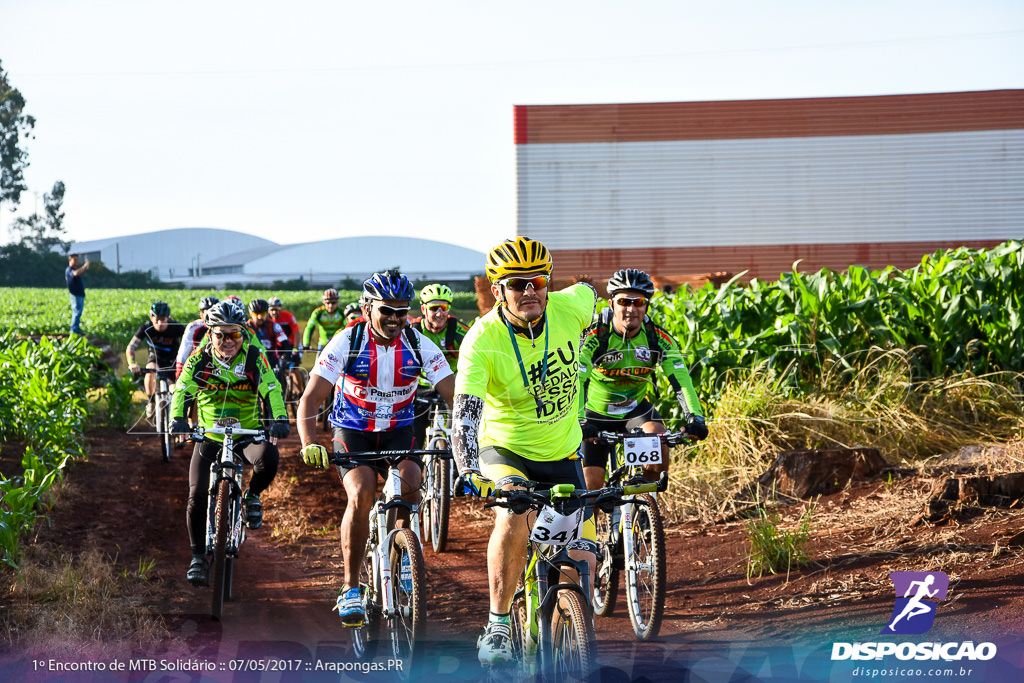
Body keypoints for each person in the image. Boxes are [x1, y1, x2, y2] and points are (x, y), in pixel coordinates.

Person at [449, 236, 598, 666]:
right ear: (497, 290)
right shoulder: (482, 341)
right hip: (506, 450)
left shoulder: (574, 306)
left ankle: (562, 642)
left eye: (538, 281)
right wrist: (468, 468)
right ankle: (497, 625)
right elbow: (465, 417)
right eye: (517, 284)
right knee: (513, 513)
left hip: (563, 452)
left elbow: (596, 299)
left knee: (578, 559)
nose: (529, 291)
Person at [297, 270, 455, 627]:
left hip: (399, 432)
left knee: (412, 483)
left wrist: (473, 437)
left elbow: (455, 395)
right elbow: (310, 400)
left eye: (402, 311)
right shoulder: (347, 340)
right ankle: (351, 587)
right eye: (387, 311)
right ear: (368, 308)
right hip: (354, 432)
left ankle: (402, 557)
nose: (396, 319)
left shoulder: (418, 344)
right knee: (362, 491)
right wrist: (310, 443)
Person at [169, 300, 289, 586]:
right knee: (196, 496)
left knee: (269, 457)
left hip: (246, 434)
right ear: (209, 333)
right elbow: (183, 388)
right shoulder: (200, 359)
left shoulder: (254, 357)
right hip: (211, 436)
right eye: (220, 334)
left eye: (233, 334)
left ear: (242, 332)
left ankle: (251, 496)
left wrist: (279, 418)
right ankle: (198, 557)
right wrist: (179, 419)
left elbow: (271, 387)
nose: (227, 341)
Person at [579, 268, 708, 491]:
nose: (631, 309)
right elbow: (577, 379)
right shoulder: (596, 335)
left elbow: (681, 380)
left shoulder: (656, 338)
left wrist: (696, 418)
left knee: (659, 441)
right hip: (595, 414)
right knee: (592, 489)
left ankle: (644, 506)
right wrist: (581, 421)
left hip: (634, 410)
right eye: (624, 302)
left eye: (638, 302)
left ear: (646, 305)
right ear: (611, 305)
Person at [409, 284, 469, 448]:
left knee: (460, 433)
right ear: (423, 309)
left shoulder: (459, 332)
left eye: (443, 307)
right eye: (434, 308)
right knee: (413, 439)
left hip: (451, 387)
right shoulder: (412, 332)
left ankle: (455, 469)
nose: (439, 313)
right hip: (420, 388)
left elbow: (475, 356)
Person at [126, 302, 187, 420]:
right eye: (156, 320)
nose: (160, 323)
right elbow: (131, 347)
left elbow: (190, 343)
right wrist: (132, 363)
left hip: (173, 360)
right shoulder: (146, 328)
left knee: (174, 387)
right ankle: (151, 402)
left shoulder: (177, 327)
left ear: (168, 318)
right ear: (151, 318)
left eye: (163, 319)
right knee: (150, 370)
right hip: (155, 359)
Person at [175, 295, 220, 378]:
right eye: (208, 312)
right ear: (201, 314)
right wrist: (179, 368)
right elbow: (184, 350)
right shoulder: (194, 326)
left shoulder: (224, 328)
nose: (212, 315)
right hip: (197, 364)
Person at [247, 298, 293, 377]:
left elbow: (284, 342)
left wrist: (286, 356)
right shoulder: (246, 327)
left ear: (267, 313)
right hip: (252, 361)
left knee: (278, 380)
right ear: (250, 314)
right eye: (256, 314)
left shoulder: (273, 325)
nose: (260, 317)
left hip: (271, 360)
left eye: (263, 314)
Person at [303, 288, 346, 352]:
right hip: (323, 344)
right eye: (328, 303)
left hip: (338, 344)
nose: (330, 305)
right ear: (323, 302)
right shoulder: (318, 312)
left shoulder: (342, 312)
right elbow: (310, 327)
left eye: (333, 303)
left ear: (337, 302)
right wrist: (306, 344)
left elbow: (348, 327)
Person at [268, 296, 302, 365]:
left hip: (292, 344)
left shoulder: (288, 316)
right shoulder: (267, 319)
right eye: (272, 310)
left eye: (276, 309)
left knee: (292, 369)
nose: (274, 312)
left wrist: (295, 349)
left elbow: (297, 333)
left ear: (281, 309)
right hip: (279, 346)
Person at [66, 253, 89, 336]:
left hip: (79, 295)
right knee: (77, 312)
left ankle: (76, 329)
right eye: (74, 260)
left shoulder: (73, 269)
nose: (76, 262)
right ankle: (74, 330)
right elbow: (75, 273)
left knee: (78, 312)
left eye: (77, 260)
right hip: (75, 295)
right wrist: (84, 267)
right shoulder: (69, 270)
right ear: (70, 260)